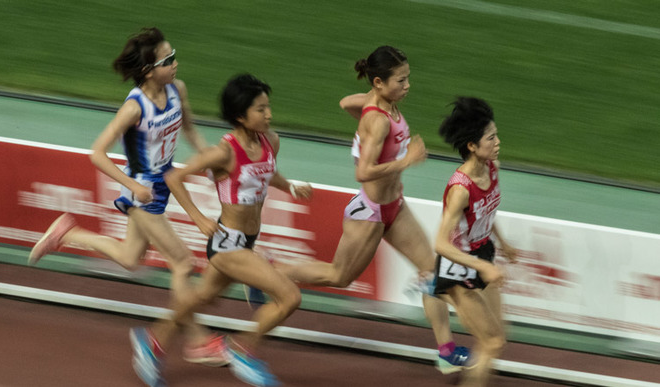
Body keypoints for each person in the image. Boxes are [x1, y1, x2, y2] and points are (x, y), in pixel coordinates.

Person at [28, 27, 228, 366]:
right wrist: (132, 185)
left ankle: (68, 233)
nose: (176, 64)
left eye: (174, 55)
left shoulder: (177, 89)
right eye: (168, 60)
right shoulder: (135, 108)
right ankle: (197, 342)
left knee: (130, 258)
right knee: (181, 262)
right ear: (149, 70)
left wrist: (207, 160)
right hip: (141, 188)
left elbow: (190, 127)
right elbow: (97, 153)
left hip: (164, 180)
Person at [275, 45, 471, 374]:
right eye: (401, 81)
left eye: (409, 79)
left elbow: (346, 103)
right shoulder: (378, 121)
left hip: (395, 206)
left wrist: (368, 110)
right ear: (380, 82)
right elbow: (363, 172)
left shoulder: (380, 104)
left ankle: (446, 351)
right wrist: (404, 160)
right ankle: (271, 272)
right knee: (339, 276)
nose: (408, 86)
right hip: (370, 213)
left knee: (434, 274)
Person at [129, 73, 312, 387]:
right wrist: (198, 218)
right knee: (289, 297)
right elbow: (173, 177)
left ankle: (152, 341)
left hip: (248, 241)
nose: (268, 114)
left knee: (202, 297)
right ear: (240, 116)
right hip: (228, 244)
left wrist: (291, 186)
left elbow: (269, 174)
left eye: (268, 107)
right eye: (260, 109)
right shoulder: (223, 153)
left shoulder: (272, 140)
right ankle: (242, 349)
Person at [433, 97, 517, 386]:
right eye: (490, 137)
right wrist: (482, 268)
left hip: (483, 253)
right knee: (492, 341)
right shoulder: (460, 189)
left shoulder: (492, 167)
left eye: (496, 135)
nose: (497, 142)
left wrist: (503, 244)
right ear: (471, 145)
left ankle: (469, 376)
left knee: (495, 339)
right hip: (458, 267)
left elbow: (487, 212)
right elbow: (441, 244)